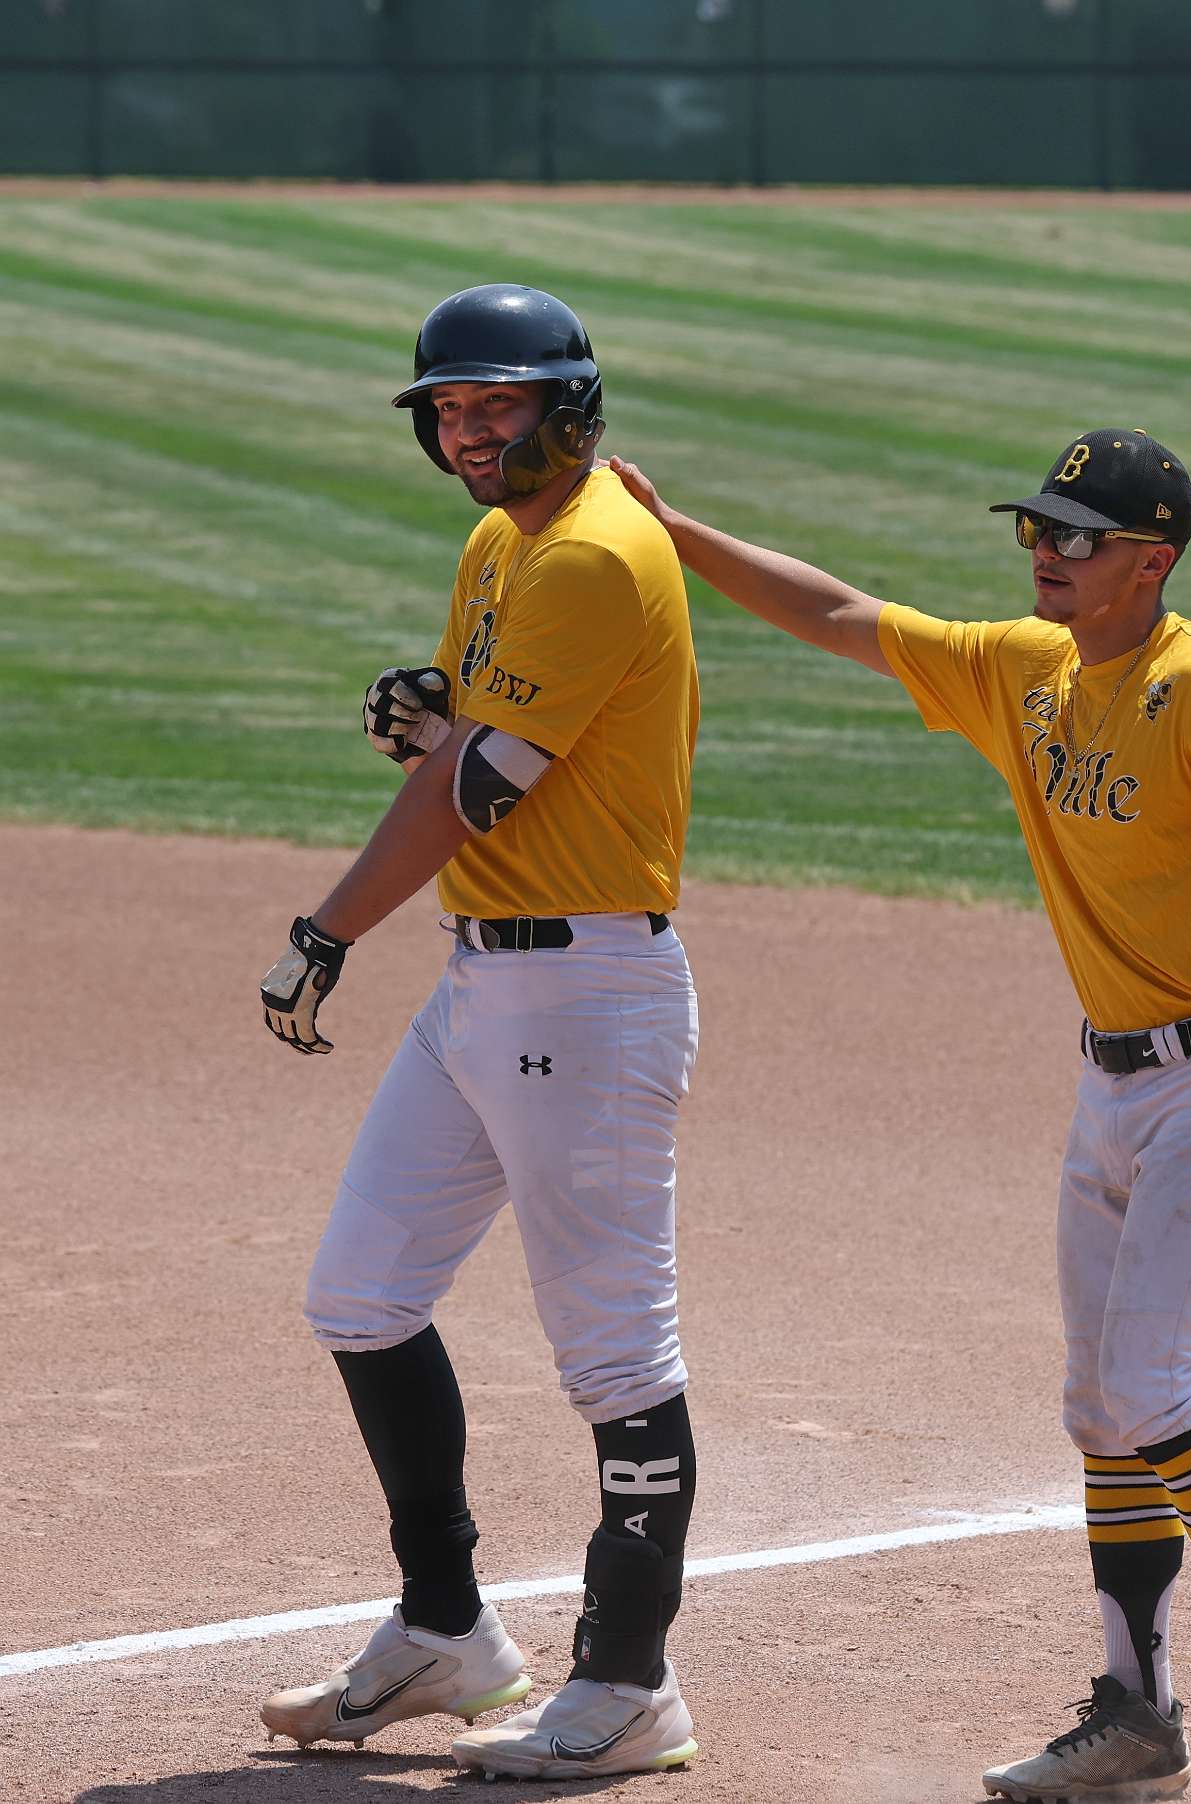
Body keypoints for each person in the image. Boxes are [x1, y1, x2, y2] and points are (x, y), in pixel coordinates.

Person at [609, 429, 1191, 1804]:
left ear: (1152, 560)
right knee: (1100, 1407)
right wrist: (678, 532)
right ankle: (1137, 1713)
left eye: (1076, 537)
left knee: (1151, 1384)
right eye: (1036, 529)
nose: (1044, 553)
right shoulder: (1029, 671)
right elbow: (843, 616)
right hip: (1110, 1081)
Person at [254, 283, 705, 1782]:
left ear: (569, 406)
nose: (466, 432)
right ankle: (447, 1630)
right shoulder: (503, 541)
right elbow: (477, 734)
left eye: (495, 405)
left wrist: (329, 928)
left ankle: (630, 1685)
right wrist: (436, 703)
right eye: (448, 409)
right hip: (487, 983)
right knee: (361, 1294)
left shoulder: (590, 552)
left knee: (617, 1355)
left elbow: (473, 791)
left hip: (587, 993)